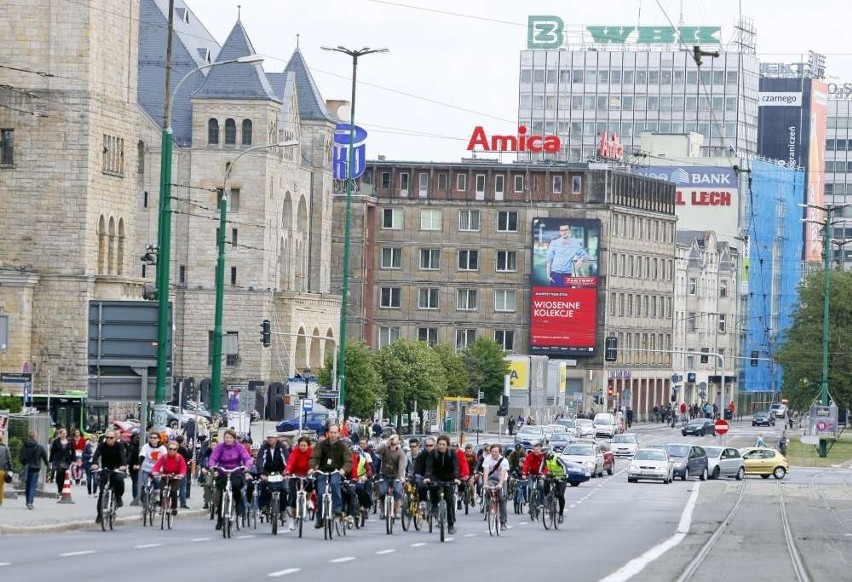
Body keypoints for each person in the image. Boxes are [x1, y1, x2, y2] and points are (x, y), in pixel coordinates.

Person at [308, 424, 352, 528]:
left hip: (336, 471)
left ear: (339, 434)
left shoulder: (342, 446)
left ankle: (337, 509)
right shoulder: (321, 444)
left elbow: (348, 460)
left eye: (335, 433)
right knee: (320, 494)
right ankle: (320, 519)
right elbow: (315, 456)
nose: (333, 435)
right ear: (328, 433)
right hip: (322, 471)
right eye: (331, 432)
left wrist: (343, 470)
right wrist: (312, 467)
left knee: (335, 483)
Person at [208, 428, 254, 530]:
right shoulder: (220, 447)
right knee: (221, 494)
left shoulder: (239, 447)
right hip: (222, 472)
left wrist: (247, 466)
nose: (228, 439)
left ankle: (239, 506)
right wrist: (212, 466)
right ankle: (220, 520)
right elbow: (213, 458)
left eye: (230, 437)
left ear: (234, 438)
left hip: (236, 471)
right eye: (226, 437)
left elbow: (247, 458)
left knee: (236, 487)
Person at [424, 435, 459, 535]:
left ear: (447, 445)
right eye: (439, 444)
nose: (441, 446)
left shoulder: (452, 454)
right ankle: (434, 506)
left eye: (443, 444)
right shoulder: (433, 453)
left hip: (449, 477)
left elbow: (456, 466)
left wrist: (456, 478)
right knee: (433, 487)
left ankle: (451, 525)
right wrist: (427, 477)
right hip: (436, 476)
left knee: (449, 500)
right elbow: (429, 466)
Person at [91, 429, 128, 523]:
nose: (108, 439)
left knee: (119, 480)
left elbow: (122, 455)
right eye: (107, 437)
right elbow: (96, 455)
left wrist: (123, 465)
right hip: (105, 469)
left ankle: (118, 497)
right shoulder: (102, 445)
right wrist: (94, 463)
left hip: (117, 469)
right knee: (102, 492)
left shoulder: (119, 446)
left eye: (111, 438)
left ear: (115, 438)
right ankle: (99, 515)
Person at [255, 431, 288, 517]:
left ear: (276, 438)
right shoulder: (264, 447)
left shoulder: (282, 447)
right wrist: (262, 473)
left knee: (284, 489)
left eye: (272, 437)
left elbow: (286, 459)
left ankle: (283, 510)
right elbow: (260, 460)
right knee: (263, 486)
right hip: (267, 472)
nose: (270, 439)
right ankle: (264, 506)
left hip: (281, 472)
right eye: (268, 437)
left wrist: (286, 472)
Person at [373, 434, 406, 520]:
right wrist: (386, 443)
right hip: (384, 475)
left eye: (395, 438)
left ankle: (396, 510)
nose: (393, 439)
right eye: (391, 437)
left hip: (396, 476)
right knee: (382, 492)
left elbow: (401, 465)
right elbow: (376, 451)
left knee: (397, 491)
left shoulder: (400, 452)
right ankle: (383, 510)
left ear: (398, 441)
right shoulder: (385, 449)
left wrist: (401, 476)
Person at [151, 440, 187, 516]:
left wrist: (181, 474)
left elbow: (183, 468)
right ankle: (161, 506)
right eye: (170, 449)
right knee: (161, 491)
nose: (172, 451)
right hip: (165, 476)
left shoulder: (179, 457)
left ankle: (174, 508)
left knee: (173, 491)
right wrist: (155, 472)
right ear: (167, 449)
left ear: (177, 450)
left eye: (174, 449)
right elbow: (157, 466)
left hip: (175, 477)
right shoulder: (164, 457)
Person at [285, 435, 313, 531]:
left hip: (307, 473)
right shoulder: (295, 451)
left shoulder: (311, 452)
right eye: (301, 445)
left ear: (308, 446)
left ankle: (308, 500)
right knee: (293, 497)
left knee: (311, 483)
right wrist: (288, 471)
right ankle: (292, 519)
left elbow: (313, 462)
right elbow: (291, 461)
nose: (302, 447)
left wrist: (312, 470)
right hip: (295, 474)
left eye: (305, 445)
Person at [481, 443, 509, 531]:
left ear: (499, 452)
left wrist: (500, 484)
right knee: (488, 489)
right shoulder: (487, 459)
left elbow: (503, 472)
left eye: (496, 452)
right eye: (492, 452)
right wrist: (485, 484)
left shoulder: (504, 461)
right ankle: (489, 505)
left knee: (502, 499)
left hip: (502, 479)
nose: (493, 453)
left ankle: (503, 522)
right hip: (491, 478)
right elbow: (485, 472)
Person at [136, 432, 166, 507]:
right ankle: (145, 503)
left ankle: (156, 495)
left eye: (155, 438)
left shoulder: (162, 448)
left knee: (156, 480)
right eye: (151, 438)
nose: (153, 439)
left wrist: (163, 468)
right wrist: (139, 465)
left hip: (157, 469)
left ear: (158, 439)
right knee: (145, 486)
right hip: (146, 468)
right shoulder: (146, 446)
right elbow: (142, 456)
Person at [543, 450, 569, 523]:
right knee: (546, 482)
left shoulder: (556, 458)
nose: (546, 458)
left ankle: (561, 514)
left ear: (550, 454)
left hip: (561, 477)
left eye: (547, 456)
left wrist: (565, 474)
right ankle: (548, 499)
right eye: (545, 456)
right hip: (553, 476)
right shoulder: (545, 459)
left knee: (560, 495)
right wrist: (543, 474)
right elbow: (542, 468)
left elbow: (564, 466)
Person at [48, 427, 74, 496]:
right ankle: (59, 489)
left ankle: (62, 488)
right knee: (59, 475)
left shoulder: (69, 441)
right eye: (63, 433)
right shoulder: (56, 441)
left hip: (66, 460)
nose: (65, 434)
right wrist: (50, 460)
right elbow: (52, 451)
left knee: (64, 475)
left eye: (65, 433)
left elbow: (73, 450)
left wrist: (72, 459)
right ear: (60, 434)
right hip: (58, 460)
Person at [174, 435, 192, 509]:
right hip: (181, 468)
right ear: (182, 441)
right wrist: (189, 449)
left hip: (173, 468)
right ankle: (183, 503)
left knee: (173, 486)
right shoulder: (182, 448)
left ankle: (172, 502)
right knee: (183, 487)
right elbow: (189, 456)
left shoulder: (173, 448)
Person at [127, 432, 141, 505]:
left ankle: (135, 498)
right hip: (136, 466)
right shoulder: (140, 446)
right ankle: (138, 498)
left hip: (132, 466)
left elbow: (128, 457)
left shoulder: (131, 445)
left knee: (135, 482)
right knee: (138, 483)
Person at [0, 433, 11, 506]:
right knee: (1, 486)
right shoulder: (5, 448)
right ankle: (0, 501)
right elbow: (9, 459)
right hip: (2, 470)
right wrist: (10, 469)